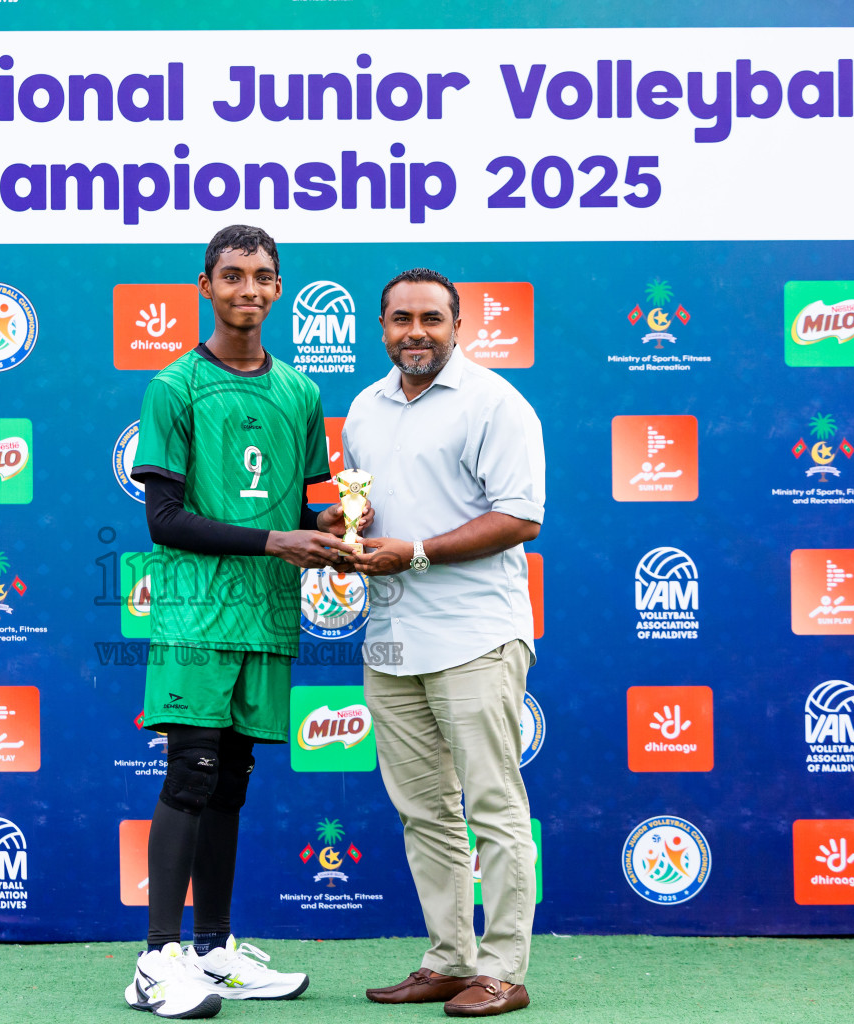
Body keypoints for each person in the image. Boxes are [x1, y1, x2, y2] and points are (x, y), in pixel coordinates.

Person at [124, 225, 363, 1019]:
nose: (248, 290)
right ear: (205, 285)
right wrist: (274, 538)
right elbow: (164, 519)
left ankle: (214, 949)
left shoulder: (299, 392)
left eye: (263, 276)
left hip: (267, 613)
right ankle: (156, 959)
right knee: (190, 775)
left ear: (279, 288)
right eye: (232, 276)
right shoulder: (175, 386)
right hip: (197, 613)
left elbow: (300, 508)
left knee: (231, 783)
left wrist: (338, 525)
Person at [345, 268, 546, 1018]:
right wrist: (348, 532)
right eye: (402, 319)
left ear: (458, 326)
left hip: (475, 635)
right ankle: (450, 959)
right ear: (383, 326)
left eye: (432, 318)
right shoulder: (364, 408)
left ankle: (503, 969)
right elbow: (373, 508)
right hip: (391, 640)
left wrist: (418, 552)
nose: (416, 332)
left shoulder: (495, 403)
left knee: (493, 806)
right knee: (424, 810)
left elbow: (521, 517)